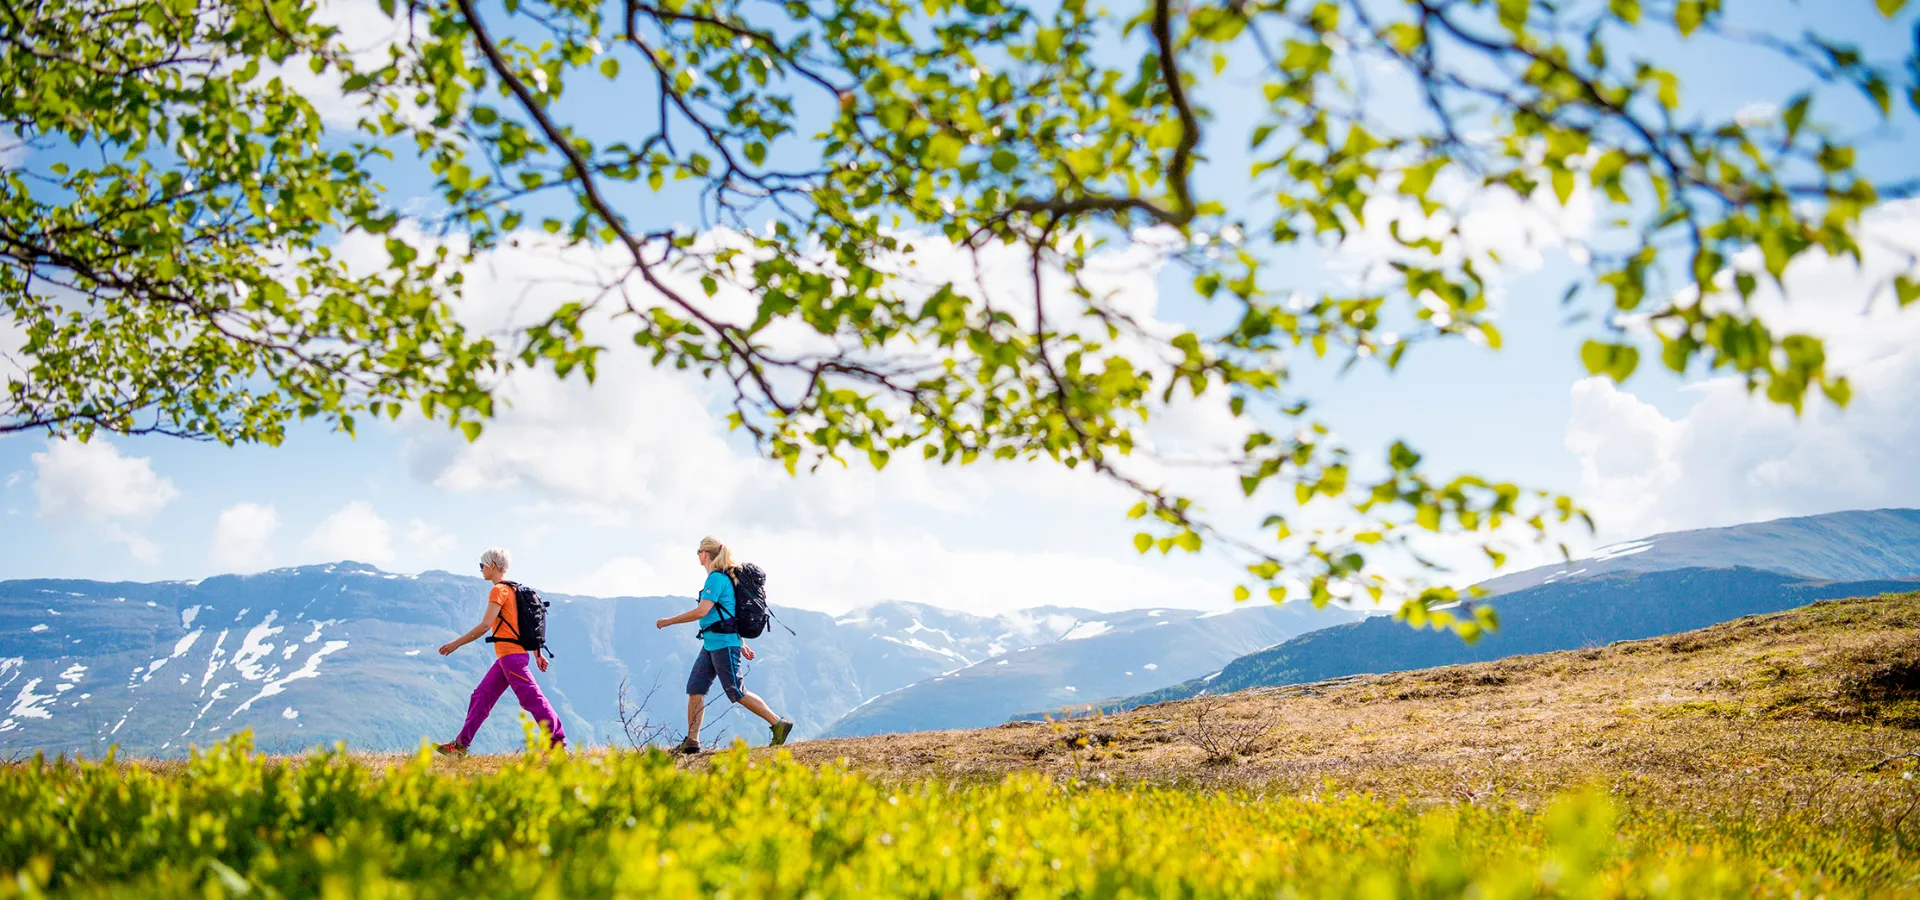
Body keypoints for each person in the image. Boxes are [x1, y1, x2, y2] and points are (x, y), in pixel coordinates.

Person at [656, 535, 794, 753]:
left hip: (721, 643)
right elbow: (726, 613)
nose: (697, 556)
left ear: (705, 554)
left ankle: (778, 723)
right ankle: (692, 742)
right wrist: (741, 643)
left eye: (698, 551)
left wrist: (669, 621)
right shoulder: (719, 579)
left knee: (736, 692)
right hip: (712, 643)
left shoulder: (716, 579)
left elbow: (703, 611)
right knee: (695, 689)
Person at [435, 547, 567, 755]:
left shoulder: (498, 590)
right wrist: (536, 653)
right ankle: (460, 746)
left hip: (511, 658)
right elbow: (524, 625)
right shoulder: (515, 590)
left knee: (532, 698)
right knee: (481, 696)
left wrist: (455, 644)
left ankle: (557, 745)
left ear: (493, 566)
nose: (481, 570)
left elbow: (485, 625)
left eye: (482, 565)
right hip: (509, 658)